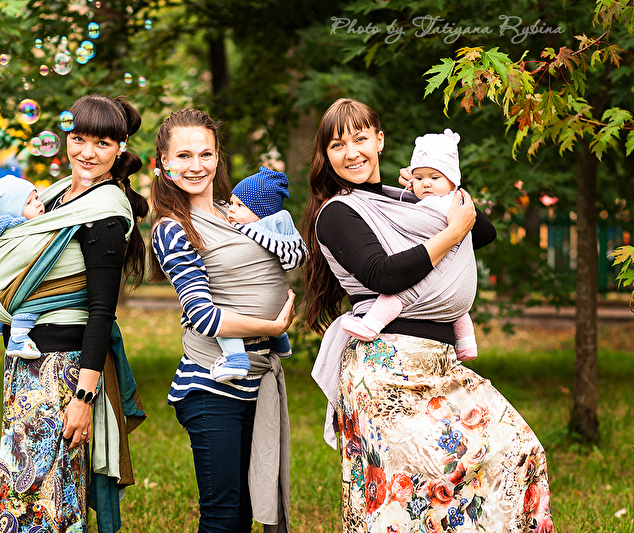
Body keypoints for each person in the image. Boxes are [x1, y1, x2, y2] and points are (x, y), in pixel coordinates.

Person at [301, 98, 552, 532]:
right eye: (337, 145)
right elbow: (383, 274)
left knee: (516, 448)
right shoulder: (337, 212)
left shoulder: (405, 201)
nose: (352, 152)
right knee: (403, 505)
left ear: (380, 141)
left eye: (360, 139)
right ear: (326, 154)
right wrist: (451, 231)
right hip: (385, 370)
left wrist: (441, 188)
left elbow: (483, 231)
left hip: (440, 362)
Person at [0, 94, 148, 533]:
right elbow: (21, 243)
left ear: (120, 148)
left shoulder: (104, 213)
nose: (87, 153)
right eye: (79, 139)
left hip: (62, 373)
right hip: (26, 365)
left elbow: (101, 311)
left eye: (102, 144)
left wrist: (83, 399)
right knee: (21, 496)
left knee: (51, 502)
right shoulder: (54, 199)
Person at [149, 108, 295, 533]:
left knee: (249, 507)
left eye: (206, 154)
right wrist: (272, 328)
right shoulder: (172, 228)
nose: (196, 165)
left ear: (218, 157)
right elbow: (202, 316)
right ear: (164, 162)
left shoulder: (235, 213)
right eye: (183, 156)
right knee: (223, 516)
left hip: (257, 380)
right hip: (211, 387)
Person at [340, 129, 477, 361]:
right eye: (420, 178)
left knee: (397, 297)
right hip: (444, 285)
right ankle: (467, 344)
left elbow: (479, 232)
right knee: (458, 309)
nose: (426, 184)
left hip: (433, 277)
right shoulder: (436, 202)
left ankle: (370, 325)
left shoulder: (446, 205)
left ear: (453, 181)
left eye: (435, 178)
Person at [209, 165, 308, 382]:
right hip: (278, 306)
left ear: (261, 213)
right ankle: (279, 340)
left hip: (251, 307)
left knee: (220, 312)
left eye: (240, 205)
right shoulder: (278, 234)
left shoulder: (246, 231)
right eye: (231, 203)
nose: (231, 210)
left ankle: (236, 359)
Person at [0, 175, 47, 359]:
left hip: (8, 283)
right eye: (29, 203)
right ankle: (18, 337)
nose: (38, 204)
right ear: (14, 212)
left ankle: (5, 321)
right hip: (20, 283)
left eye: (37, 198)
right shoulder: (19, 227)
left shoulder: (4, 225)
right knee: (36, 300)